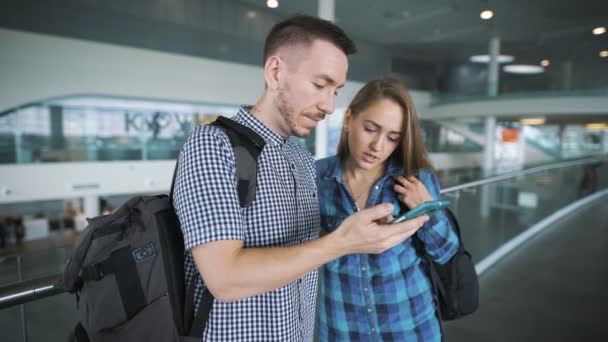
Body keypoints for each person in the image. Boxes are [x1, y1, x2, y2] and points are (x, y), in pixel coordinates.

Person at [173, 15, 429, 341]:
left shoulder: (304, 160)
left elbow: (305, 257)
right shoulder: (212, 145)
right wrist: (343, 242)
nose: (329, 105)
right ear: (275, 72)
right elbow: (224, 278)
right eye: (320, 85)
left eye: (336, 91)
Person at [315, 78, 460, 341]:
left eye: (393, 138)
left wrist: (426, 209)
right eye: (370, 129)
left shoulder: (416, 179)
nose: (378, 147)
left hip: (410, 327)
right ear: (349, 119)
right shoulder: (316, 179)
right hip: (344, 329)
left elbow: (446, 251)